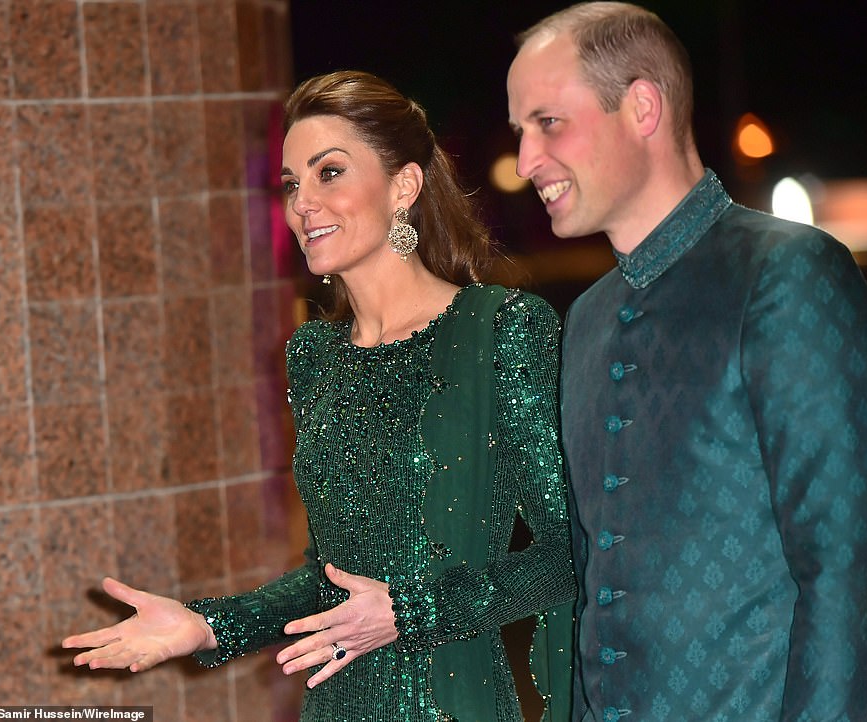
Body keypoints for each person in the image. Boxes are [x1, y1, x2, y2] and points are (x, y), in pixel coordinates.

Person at [63, 70, 576, 722]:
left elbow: (569, 553)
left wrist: (410, 612)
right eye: (290, 184)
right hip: (334, 703)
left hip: (451, 704)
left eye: (329, 172)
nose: (302, 202)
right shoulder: (313, 357)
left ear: (404, 187)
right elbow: (326, 580)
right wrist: (209, 625)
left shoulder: (501, 329)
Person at [507, 3, 867, 721]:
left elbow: (844, 576)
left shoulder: (789, 275)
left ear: (643, 107)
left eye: (548, 122)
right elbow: (594, 581)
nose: (528, 159)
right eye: (520, 132)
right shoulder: (587, 320)